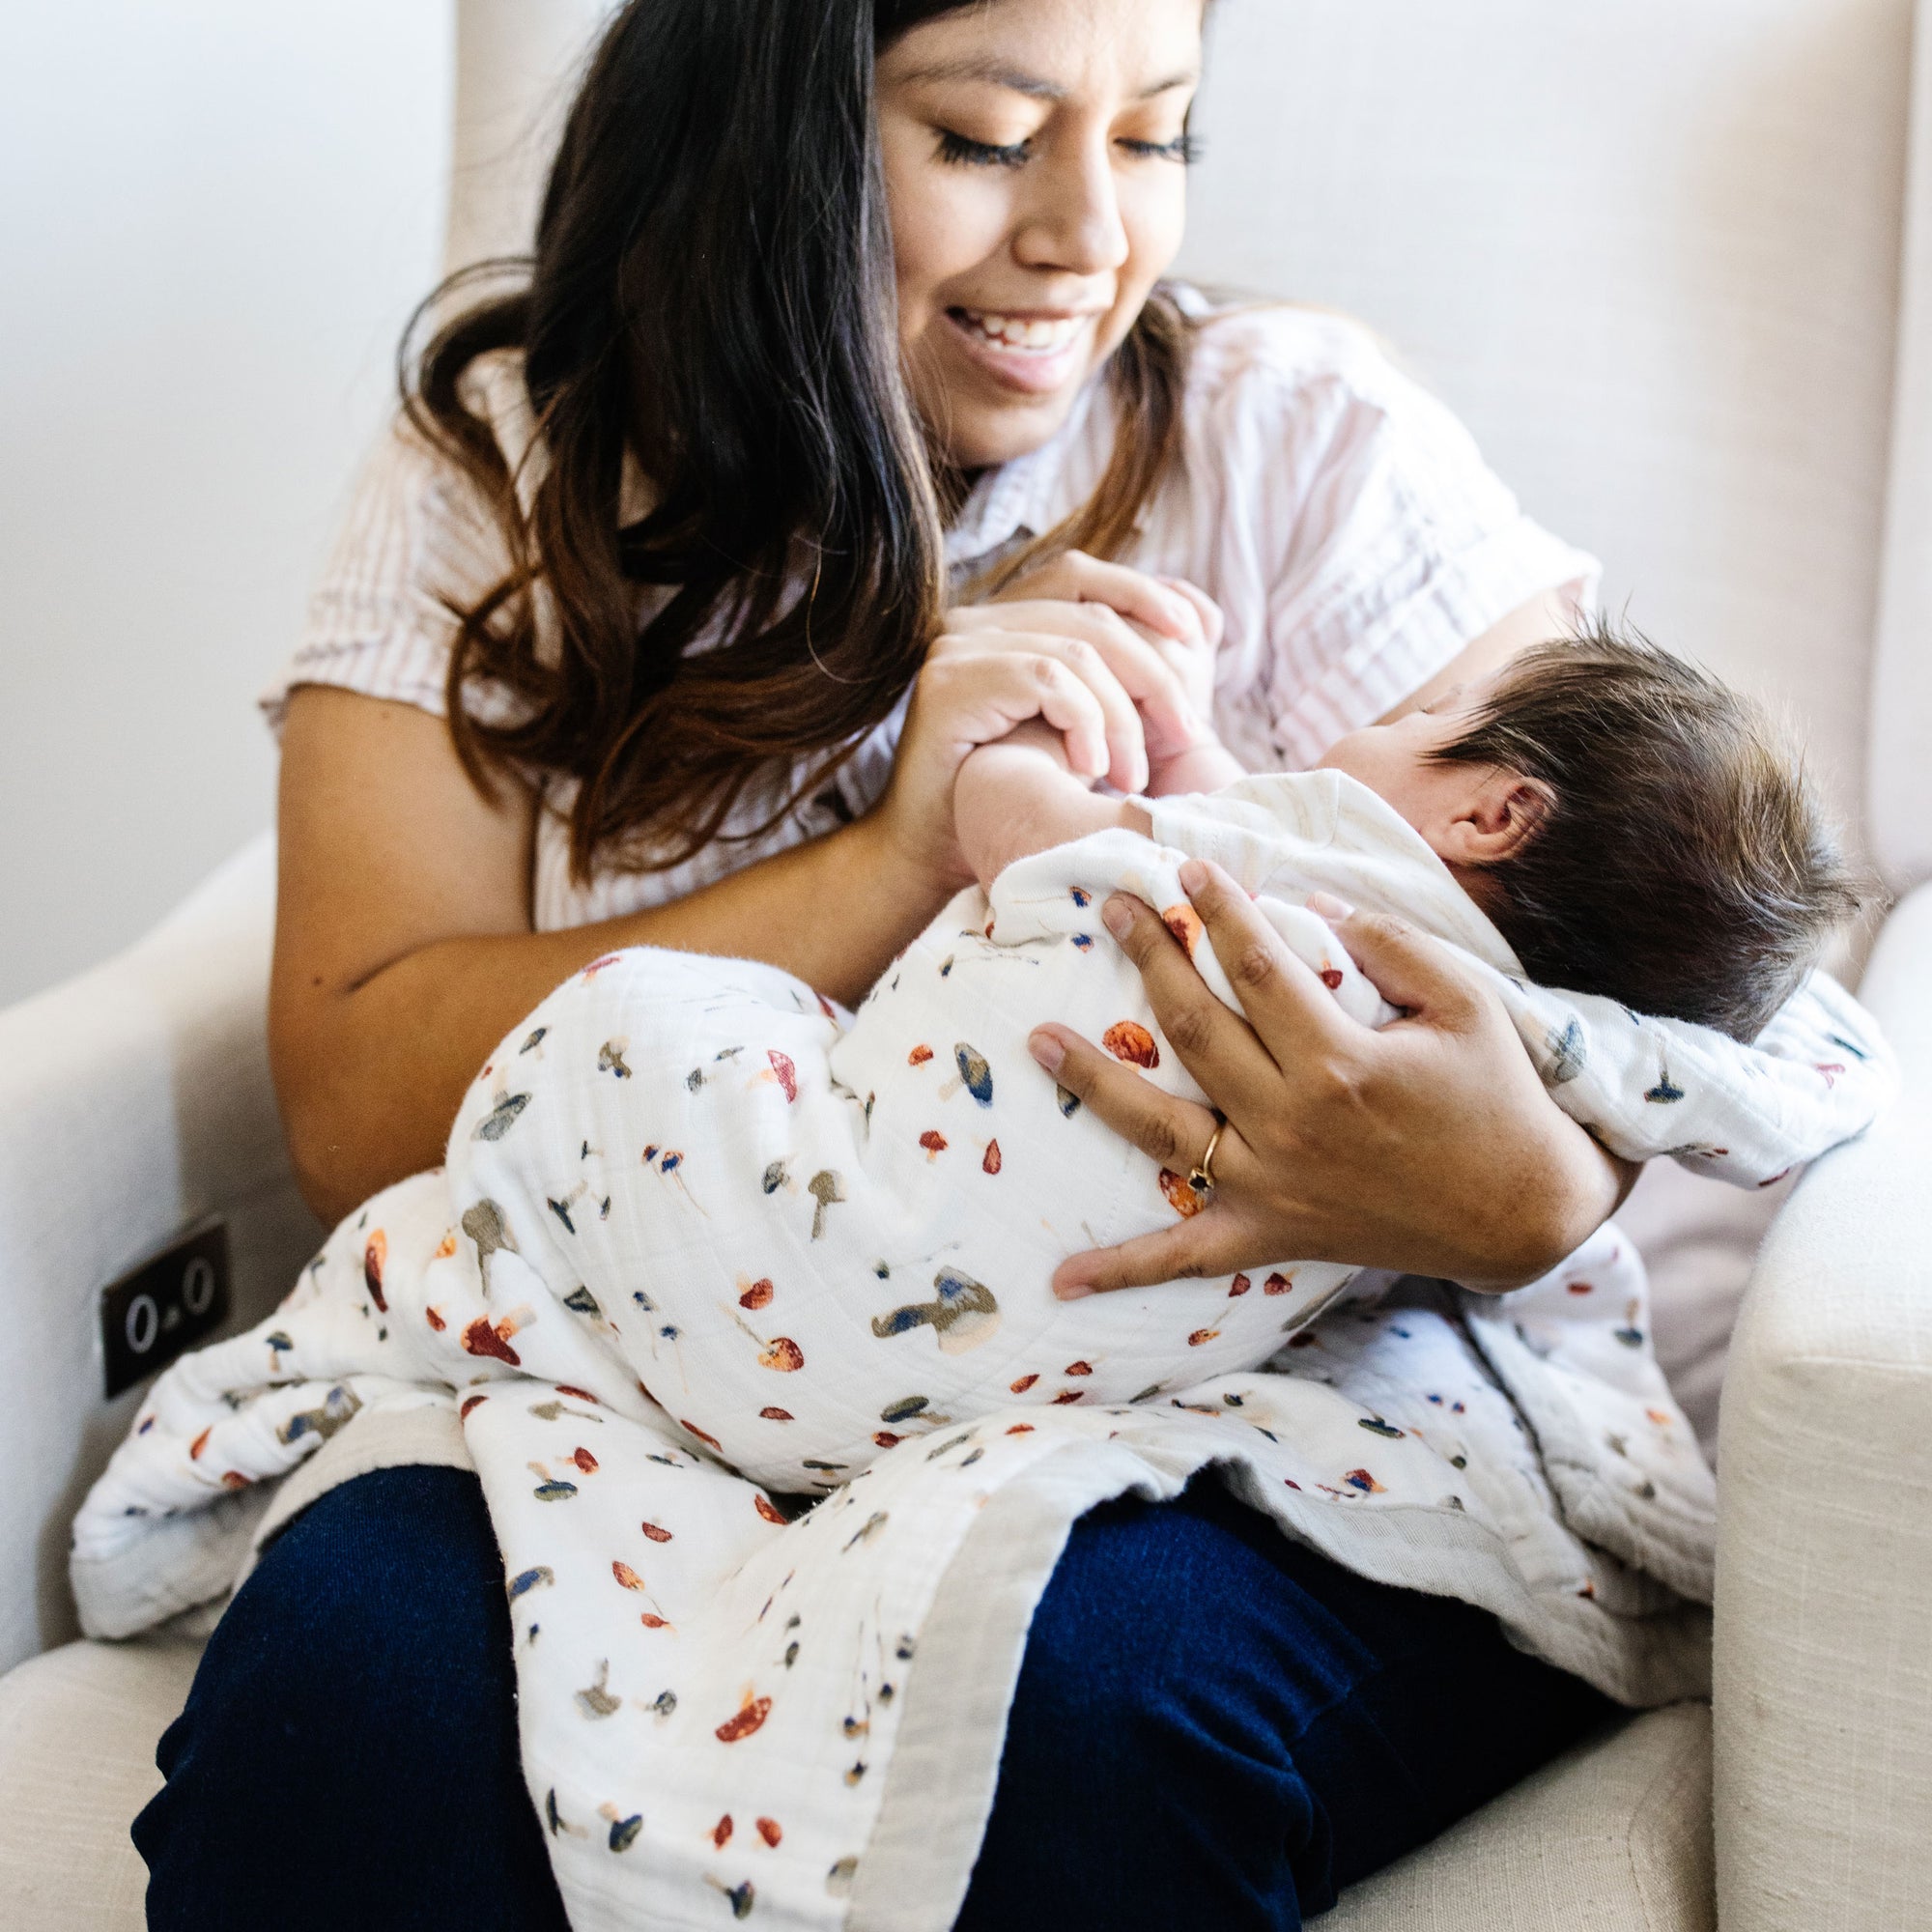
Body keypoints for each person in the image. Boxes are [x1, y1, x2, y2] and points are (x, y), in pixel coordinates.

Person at [132, 2, 1700, 1926]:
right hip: (635, 1364)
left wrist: (1521, 1192)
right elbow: (359, 1106)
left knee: (1083, 1716)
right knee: (349, 1712)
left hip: (1250, 1410)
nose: (1089, 233)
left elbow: (1632, 965)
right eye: (982, 135)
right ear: (765, 128)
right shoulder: (516, 467)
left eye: (1154, 136)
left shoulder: (1294, 443)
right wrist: (890, 854)